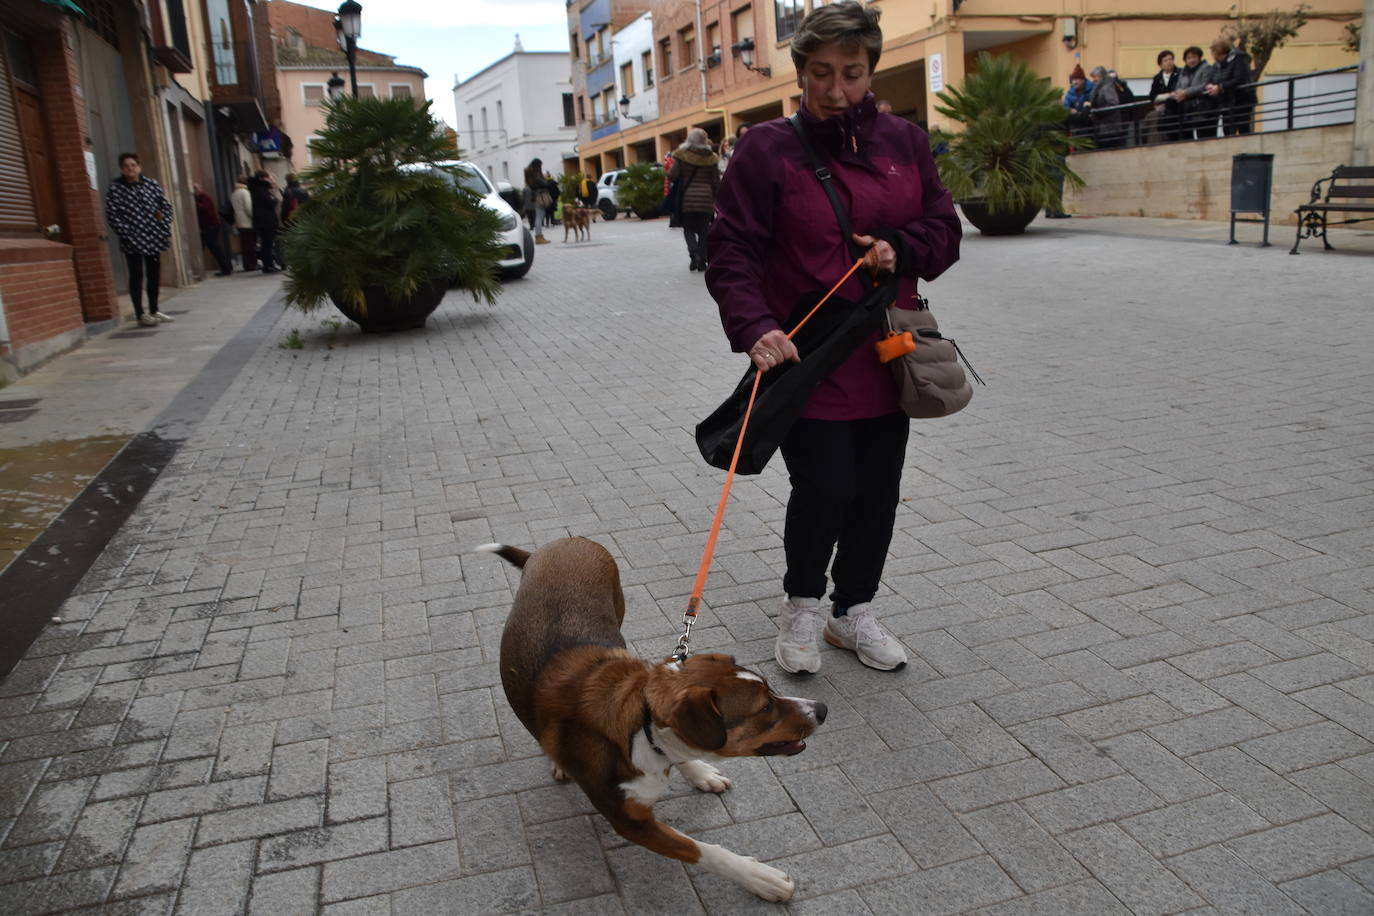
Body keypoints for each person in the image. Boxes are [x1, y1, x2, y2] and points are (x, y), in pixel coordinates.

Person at [705, 1, 961, 674]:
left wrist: (899, 249)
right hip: (808, 354)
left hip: (886, 353)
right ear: (801, 73)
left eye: (851, 72)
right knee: (826, 487)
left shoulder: (905, 143)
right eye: (821, 72)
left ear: (870, 69)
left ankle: (853, 612)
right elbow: (731, 250)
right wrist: (756, 326)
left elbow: (946, 232)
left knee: (878, 490)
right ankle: (800, 607)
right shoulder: (768, 150)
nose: (836, 89)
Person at [104, 152, 174, 327]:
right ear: (122, 169)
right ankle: (140, 313)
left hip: (153, 236)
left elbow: (165, 206)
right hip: (132, 240)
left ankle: (154, 309)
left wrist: (163, 227)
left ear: (139, 167)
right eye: (127, 166)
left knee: (154, 274)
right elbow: (113, 214)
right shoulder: (116, 188)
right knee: (136, 275)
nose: (130, 169)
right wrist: (127, 234)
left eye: (133, 165)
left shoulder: (151, 184)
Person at [668, 128, 721, 272]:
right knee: (704, 230)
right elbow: (716, 181)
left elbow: (672, 175)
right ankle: (702, 259)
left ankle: (693, 255)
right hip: (706, 199)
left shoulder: (681, 155)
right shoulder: (711, 157)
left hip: (687, 199)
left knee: (688, 229)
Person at [1205, 37, 1256, 136]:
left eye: (1212, 51)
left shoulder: (1238, 58)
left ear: (1219, 51)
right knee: (1227, 130)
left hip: (1242, 100)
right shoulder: (1217, 64)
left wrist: (1220, 87)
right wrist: (1211, 86)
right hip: (1226, 103)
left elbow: (1239, 78)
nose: (1211, 54)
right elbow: (1211, 78)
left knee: (1243, 129)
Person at [1171, 46, 1215, 140]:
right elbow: (1178, 86)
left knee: (1205, 138)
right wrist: (1178, 93)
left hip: (1203, 110)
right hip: (1187, 111)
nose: (1191, 60)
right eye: (1189, 58)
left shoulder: (1206, 68)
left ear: (1199, 57)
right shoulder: (1183, 71)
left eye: (1194, 57)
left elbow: (1205, 85)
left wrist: (1186, 93)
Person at [192, 183, 233, 276]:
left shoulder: (204, 197)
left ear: (200, 189)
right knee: (214, 248)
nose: (195, 191)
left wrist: (195, 203)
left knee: (213, 248)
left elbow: (205, 209)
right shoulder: (200, 198)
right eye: (194, 189)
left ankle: (225, 268)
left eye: (196, 189)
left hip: (211, 226)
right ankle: (226, 268)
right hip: (209, 226)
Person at [246, 170, 280, 273]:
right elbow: (269, 202)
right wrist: (275, 199)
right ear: (261, 178)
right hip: (266, 221)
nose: (269, 180)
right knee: (267, 245)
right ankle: (268, 265)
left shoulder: (257, 188)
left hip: (263, 220)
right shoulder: (261, 189)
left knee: (267, 244)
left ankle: (268, 265)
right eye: (267, 178)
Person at [1147, 50, 1182, 143]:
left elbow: (1178, 91)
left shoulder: (1180, 73)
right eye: (1165, 60)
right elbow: (1152, 96)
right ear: (1160, 64)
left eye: (1171, 59)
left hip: (1178, 110)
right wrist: (1168, 95)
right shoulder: (1157, 78)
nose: (1169, 62)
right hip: (1164, 114)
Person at [1087, 65, 1124, 147]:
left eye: (1095, 77)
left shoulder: (1106, 87)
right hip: (1103, 127)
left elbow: (1113, 104)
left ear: (1101, 76)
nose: (1093, 79)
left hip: (1109, 127)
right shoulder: (1100, 87)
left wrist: (1098, 111)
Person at [523, 158, 551, 244]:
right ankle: (539, 237)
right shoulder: (536, 174)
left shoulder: (529, 173)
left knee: (539, 216)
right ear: (537, 165)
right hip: (540, 195)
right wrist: (545, 180)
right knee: (539, 216)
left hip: (535, 196)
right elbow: (544, 184)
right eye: (540, 165)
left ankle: (539, 236)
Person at [230, 176, 255, 270]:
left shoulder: (234, 193)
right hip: (247, 221)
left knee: (244, 244)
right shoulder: (245, 192)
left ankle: (246, 264)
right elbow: (248, 208)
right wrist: (254, 217)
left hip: (239, 221)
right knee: (250, 244)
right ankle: (251, 264)